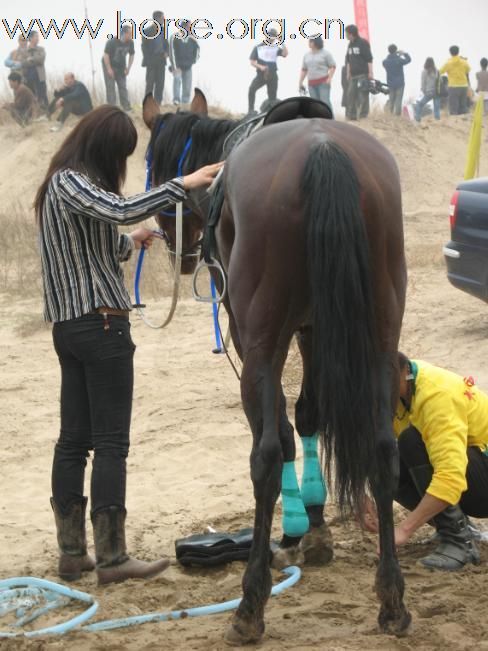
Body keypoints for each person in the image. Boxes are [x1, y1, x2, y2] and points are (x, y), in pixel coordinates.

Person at [34, 105, 223, 585]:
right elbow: (118, 209)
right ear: (104, 148)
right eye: (119, 154)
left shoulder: (60, 186)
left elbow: (94, 244)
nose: (119, 163)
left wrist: (131, 241)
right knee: (111, 443)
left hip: (70, 328)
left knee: (73, 441)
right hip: (102, 327)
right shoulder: (74, 182)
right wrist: (186, 181)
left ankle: (74, 553)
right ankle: (113, 558)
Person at [361, 354, 488, 571]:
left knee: (411, 440)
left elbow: (450, 477)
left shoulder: (437, 395)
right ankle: (458, 527)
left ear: (397, 377)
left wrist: (404, 529)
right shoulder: (399, 392)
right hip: (472, 473)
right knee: (384, 461)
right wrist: (360, 496)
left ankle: (459, 541)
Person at [248, 29, 288, 115]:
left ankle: (271, 113)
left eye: (273, 36)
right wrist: (260, 66)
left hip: (273, 74)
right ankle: (250, 110)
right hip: (261, 74)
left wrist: (282, 42)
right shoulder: (258, 47)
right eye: (270, 35)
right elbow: (252, 61)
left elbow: (285, 54)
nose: (271, 38)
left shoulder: (275, 48)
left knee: (272, 97)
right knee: (252, 89)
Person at [102, 26, 135, 111]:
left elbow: (132, 55)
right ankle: (112, 108)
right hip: (109, 64)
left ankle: (126, 107)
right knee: (110, 86)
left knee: (122, 86)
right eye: (130, 33)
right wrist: (109, 69)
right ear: (124, 33)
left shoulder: (130, 43)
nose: (131, 35)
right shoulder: (112, 42)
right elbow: (106, 55)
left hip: (121, 66)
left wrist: (128, 68)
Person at [345, 24, 373, 120]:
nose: (346, 35)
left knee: (363, 94)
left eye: (346, 33)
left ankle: (363, 115)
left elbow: (369, 59)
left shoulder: (363, 43)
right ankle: (352, 116)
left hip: (363, 74)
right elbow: (348, 59)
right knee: (350, 94)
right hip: (353, 75)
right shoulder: (350, 44)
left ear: (351, 34)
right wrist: (348, 72)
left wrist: (370, 73)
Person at [299, 36, 336, 108]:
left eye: (310, 41)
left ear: (315, 42)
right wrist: (300, 82)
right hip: (311, 83)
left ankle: (330, 118)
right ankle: (318, 118)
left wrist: (330, 78)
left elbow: (332, 66)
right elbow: (304, 69)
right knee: (315, 104)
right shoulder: (306, 55)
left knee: (325, 102)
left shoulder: (326, 53)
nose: (309, 43)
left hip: (323, 82)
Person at [169, 19, 200, 105]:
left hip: (188, 66)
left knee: (187, 86)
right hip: (177, 66)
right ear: (185, 27)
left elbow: (197, 51)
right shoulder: (174, 37)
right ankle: (176, 100)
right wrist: (175, 67)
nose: (191, 28)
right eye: (190, 26)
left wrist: (193, 61)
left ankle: (185, 102)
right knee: (177, 80)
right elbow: (171, 52)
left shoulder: (193, 39)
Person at [142, 10, 169, 105]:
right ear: (157, 19)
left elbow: (167, 45)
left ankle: (158, 103)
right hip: (151, 60)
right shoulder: (147, 31)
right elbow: (143, 46)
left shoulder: (164, 31)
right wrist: (148, 58)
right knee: (150, 83)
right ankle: (147, 103)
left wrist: (167, 53)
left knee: (160, 83)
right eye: (162, 18)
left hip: (161, 60)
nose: (164, 19)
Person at [439, 46, 471, 115]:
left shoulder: (448, 63)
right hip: (463, 86)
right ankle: (464, 123)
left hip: (453, 86)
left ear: (450, 53)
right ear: (458, 52)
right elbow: (468, 69)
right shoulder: (464, 62)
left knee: (454, 108)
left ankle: (455, 123)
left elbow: (440, 72)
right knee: (463, 106)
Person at [382, 44, 411, 116]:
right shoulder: (399, 60)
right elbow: (409, 60)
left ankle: (390, 115)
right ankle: (397, 116)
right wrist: (403, 53)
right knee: (398, 100)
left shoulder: (385, 61)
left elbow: (384, 63)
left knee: (391, 100)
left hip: (390, 83)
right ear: (395, 50)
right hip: (400, 83)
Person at [23, 31, 48, 111]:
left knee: (43, 96)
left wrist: (31, 59)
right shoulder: (25, 51)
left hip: (40, 77)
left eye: (38, 36)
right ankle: (33, 116)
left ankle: (46, 115)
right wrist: (33, 61)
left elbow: (41, 59)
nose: (38, 38)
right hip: (28, 77)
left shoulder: (41, 49)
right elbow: (23, 63)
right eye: (36, 36)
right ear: (30, 38)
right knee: (31, 97)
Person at [415, 58, 441, 122]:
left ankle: (418, 118)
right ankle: (437, 120)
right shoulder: (437, 71)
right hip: (437, 92)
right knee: (436, 108)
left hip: (428, 92)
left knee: (420, 104)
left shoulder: (424, 71)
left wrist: (424, 91)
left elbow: (423, 83)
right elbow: (440, 81)